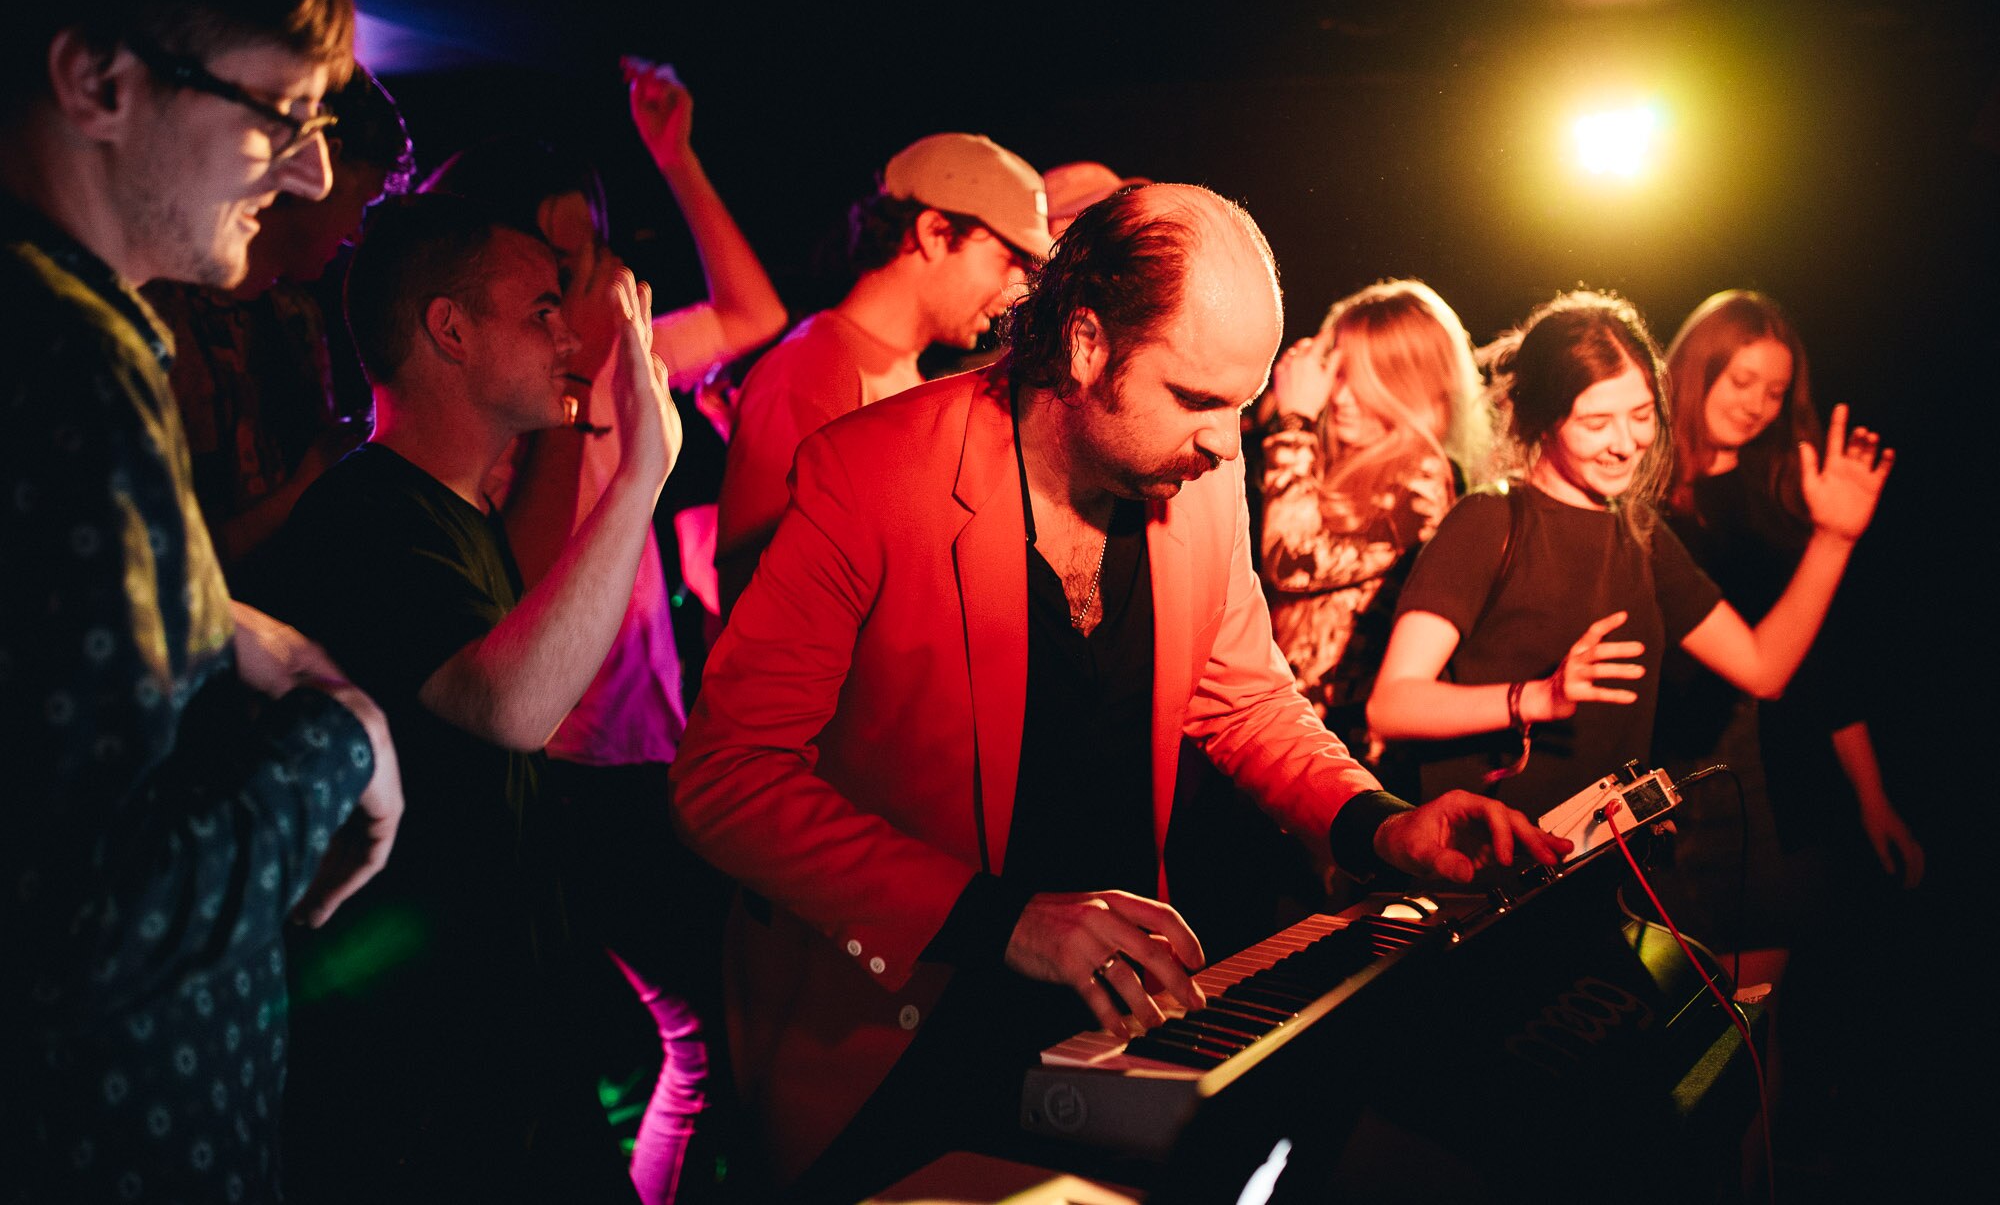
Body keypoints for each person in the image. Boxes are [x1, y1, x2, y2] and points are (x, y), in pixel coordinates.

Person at [672, 183, 1567, 1200]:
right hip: (894, 1041)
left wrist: (1376, 824)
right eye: (1196, 400)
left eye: (1241, 403)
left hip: (1104, 1034)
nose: (1229, 442)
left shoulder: (1195, 476)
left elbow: (1244, 698)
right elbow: (724, 782)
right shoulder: (868, 472)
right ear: (1087, 345)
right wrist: (1005, 921)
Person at [0, 0, 401, 1201]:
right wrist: (346, 738)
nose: (311, 173)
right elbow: (79, 921)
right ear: (97, 83)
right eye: (280, 116)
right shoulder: (70, 362)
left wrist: (239, 625)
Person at [262, 193, 680, 1201]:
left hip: (493, 1040)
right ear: (448, 330)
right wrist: (640, 477)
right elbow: (507, 705)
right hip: (417, 1069)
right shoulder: (366, 514)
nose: (567, 333)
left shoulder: (450, 510)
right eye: (540, 307)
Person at [418, 58, 784, 1204]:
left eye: (581, 260)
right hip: (567, 766)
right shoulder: (507, 400)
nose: (579, 286)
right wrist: (584, 381)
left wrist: (674, 160)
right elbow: (524, 583)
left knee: (708, 1044)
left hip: (648, 745)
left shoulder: (606, 365)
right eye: (552, 268)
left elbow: (751, 315)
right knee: (672, 1052)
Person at [1367, 289, 1894, 825]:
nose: (1626, 442)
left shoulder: (1642, 533)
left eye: (1641, 415)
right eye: (1597, 423)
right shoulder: (1490, 519)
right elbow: (1392, 705)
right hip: (1494, 860)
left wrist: (1834, 539)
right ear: (1544, 417)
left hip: (1603, 863)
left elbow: (1763, 670)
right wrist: (1535, 698)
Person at [1657, 290, 1922, 964]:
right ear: (1695, 368)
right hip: (1673, 793)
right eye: (1742, 380)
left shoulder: (1781, 492)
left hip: (1782, 793)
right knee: (1681, 1019)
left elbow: (1825, 665)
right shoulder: (1641, 498)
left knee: (1762, 1005)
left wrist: (1872, 796)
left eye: (1774, 391)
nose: (1755, 403)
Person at [714, 131, 1050, 617]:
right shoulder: (811, 367)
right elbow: (755, 595)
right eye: (1009, 259)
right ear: (935, 232)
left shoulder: (906, 377)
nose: (1016, 289)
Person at [149, 64, 415, 579]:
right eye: (359, 203)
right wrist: (305, 485)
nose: (355, 234)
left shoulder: (298, 315)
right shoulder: (160, 312)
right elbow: (157, 564)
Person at [1258, 280, 1488, 778]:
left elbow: (1290, 560)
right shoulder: (1341, 459)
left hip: (1345, 755)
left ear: (1409, 384)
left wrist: (1295, 422)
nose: (1338, 397)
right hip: (1286, 740)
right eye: (1334, 373)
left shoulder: (1425, 476)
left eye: (1360, 379)